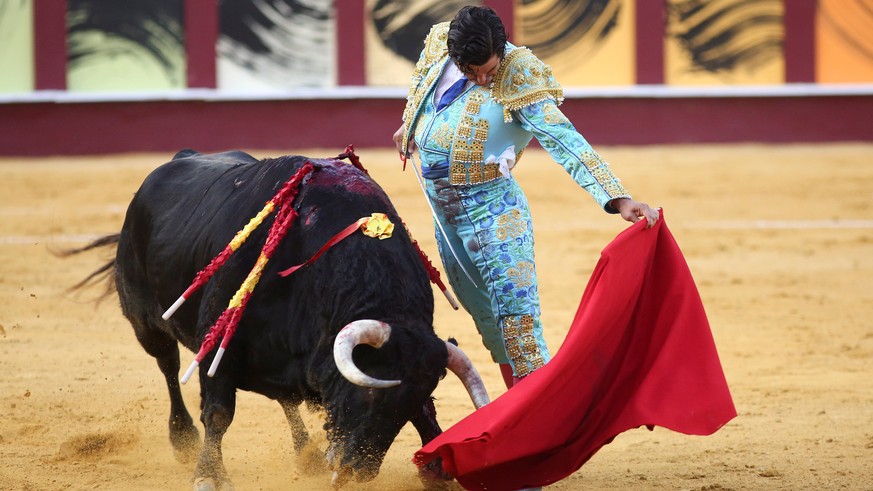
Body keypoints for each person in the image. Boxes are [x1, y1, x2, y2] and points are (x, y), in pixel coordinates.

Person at [393, 5, 659, 390]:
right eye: (473, 72)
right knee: (485, 318)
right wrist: (410, 123)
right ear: (454, 56)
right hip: (446, 219)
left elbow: (563, 140)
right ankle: (518, 409)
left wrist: (617, 198)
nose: (484, 79)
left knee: (518, 322)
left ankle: (541, 418)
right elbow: (421, 86)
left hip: (494, 214)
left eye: (490, 69)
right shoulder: (438, 44)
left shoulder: (519, 72)